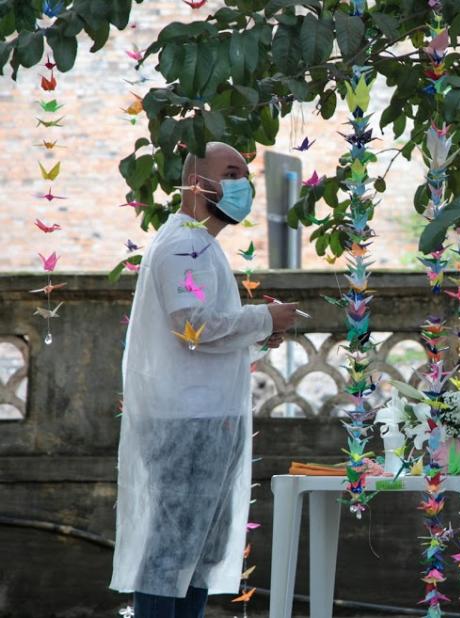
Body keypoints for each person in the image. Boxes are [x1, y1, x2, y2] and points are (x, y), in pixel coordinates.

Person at [109, 142, 298, 618]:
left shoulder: (200, 244)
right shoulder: (183, 245)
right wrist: (263, 317)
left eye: (245, 173)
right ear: (196, 183)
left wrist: (261, 334)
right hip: (186, 419)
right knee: (174, 548)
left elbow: (205, 334)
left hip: (209, 414)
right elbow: (192, 326)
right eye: (230, 172)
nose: (243, 183)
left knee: (201, 550)